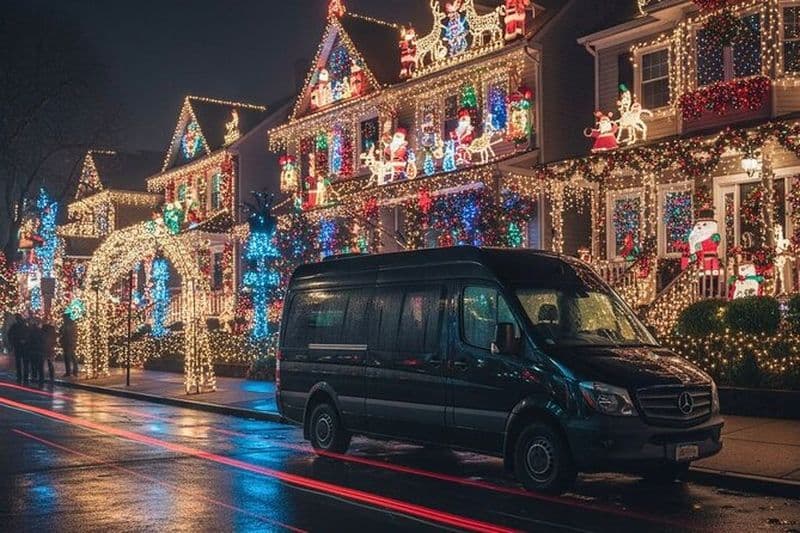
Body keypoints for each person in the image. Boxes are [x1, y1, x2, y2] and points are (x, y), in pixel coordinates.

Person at [7, 314, 29, 384]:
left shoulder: (15, 326)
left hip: (18, 346)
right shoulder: (24, 326)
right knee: (24, 363)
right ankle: (25, 377)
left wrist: (13, 342)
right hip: (24, 346)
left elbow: (9, 334)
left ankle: (20, 377)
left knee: (19, 362)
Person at [41, 320, 57, 385]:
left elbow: (42, 339)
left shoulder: (43, 332)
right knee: (50, 363)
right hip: (50, 349)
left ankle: (42, 376)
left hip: (44, 349)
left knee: (42, 363)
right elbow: (54, 340)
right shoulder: (52, 332)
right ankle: (51, 376)